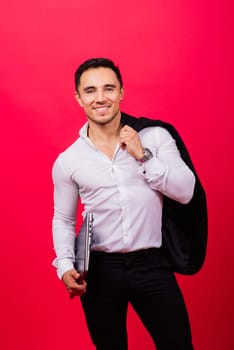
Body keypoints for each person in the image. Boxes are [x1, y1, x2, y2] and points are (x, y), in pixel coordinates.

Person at [52, 57, 202, 350]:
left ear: (121, 92)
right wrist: (65, 265)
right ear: (79, 98)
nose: (100, 98)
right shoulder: (68, 160)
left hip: (153, 265)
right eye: (90, 90)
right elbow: (64, 220)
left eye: (108, 88)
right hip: (100, 271)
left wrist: (143, 155)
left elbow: (186, 192)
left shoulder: (156, 137)